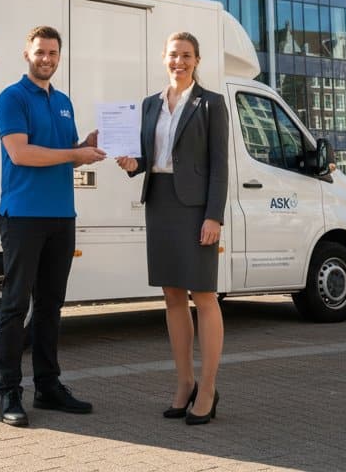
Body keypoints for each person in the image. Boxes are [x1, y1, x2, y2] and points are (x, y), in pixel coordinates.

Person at [0, 25, 105, 427]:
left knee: (50, 306)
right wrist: (72, 154)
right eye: (40, 52)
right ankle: (9, 392)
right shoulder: (12, 98)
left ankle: (48, 386)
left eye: (53, 53)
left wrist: (85, 146)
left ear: (59, 56)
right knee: (14, 306)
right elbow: (21, 154)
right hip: (23, 215)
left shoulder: (63, 102)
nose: (47, 59)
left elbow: (66, 154)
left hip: (62, 215)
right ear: (27, 54)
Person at [114, 31, 228, 425]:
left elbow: (219, 165)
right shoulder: (150, 104)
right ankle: (184, 384)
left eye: (186, 55)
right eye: (173, 55)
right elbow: (146, 158)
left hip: (196, 209)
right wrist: (132, 164)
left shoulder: (211, 103)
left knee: (205, 295)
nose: (179, 61)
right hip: (160, 203)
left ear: (197, 60)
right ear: (164, 58)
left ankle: (208, 389)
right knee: (172, 296)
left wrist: (214, 216)